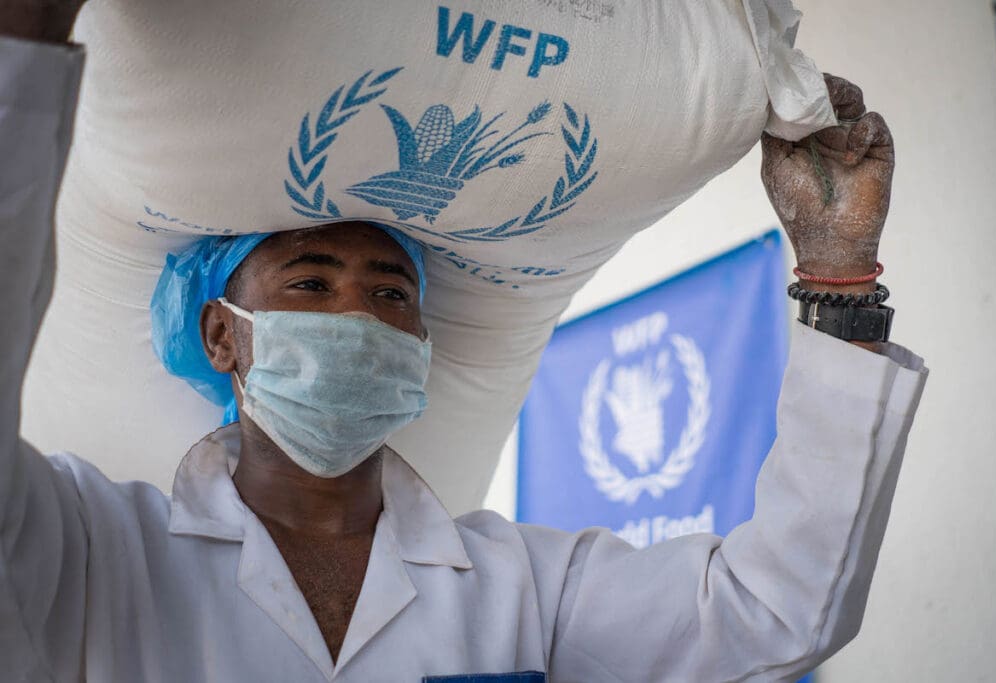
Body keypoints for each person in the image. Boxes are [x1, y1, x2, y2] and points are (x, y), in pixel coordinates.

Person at [0, 3, 927, 682]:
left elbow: (773, 615)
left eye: (393, 292)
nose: (361, 317)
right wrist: (22, 62)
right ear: (222, 335)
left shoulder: (524, 586)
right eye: (312, 282)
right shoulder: (93, 549)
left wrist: (838, 276)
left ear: (424, 343)